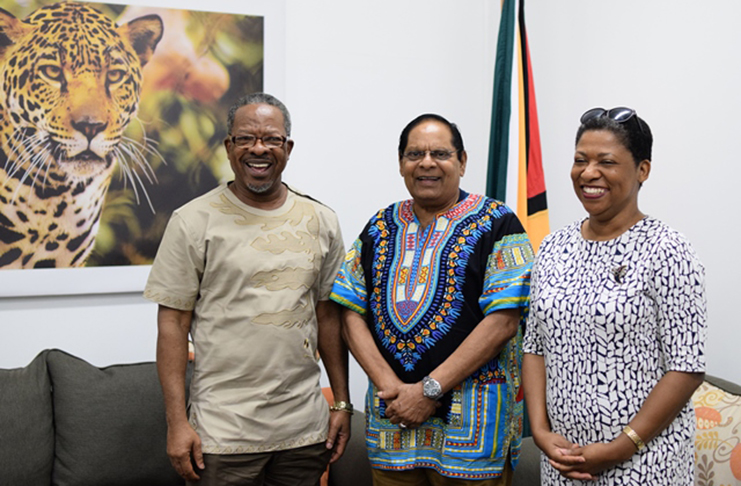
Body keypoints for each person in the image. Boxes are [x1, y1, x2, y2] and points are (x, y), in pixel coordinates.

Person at [144, 93, 351, 486]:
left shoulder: (321, 220)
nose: (259, 148)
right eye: (245, 139)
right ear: (228, 147)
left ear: (288, 148)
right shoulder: (192, 222)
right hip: (223, 438)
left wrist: (340, 401)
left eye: (272, 139)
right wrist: (177, 423)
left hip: (303, 433)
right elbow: (172, 325)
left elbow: (328, 315)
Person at [330, 113, 534, 485]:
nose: (426, 163)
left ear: (462, 161)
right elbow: (349, 310)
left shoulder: (499, 223)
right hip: (393, 425)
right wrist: (390, 386)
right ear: (401, 163)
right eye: (414, 154)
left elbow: (503, 321)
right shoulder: (380, 225)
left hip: (472, 428)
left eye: (440, 153)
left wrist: (428, 391)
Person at [522, 107, 707, 485]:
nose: (589, 173)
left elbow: (686, 366)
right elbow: (534, 346)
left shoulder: (668, 249)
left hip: (643, 463)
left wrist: (621, 447)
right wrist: (540, 431)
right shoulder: (554, 246)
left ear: (642, 170)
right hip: (563, 461)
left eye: (606, 161)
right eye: (580, 160)